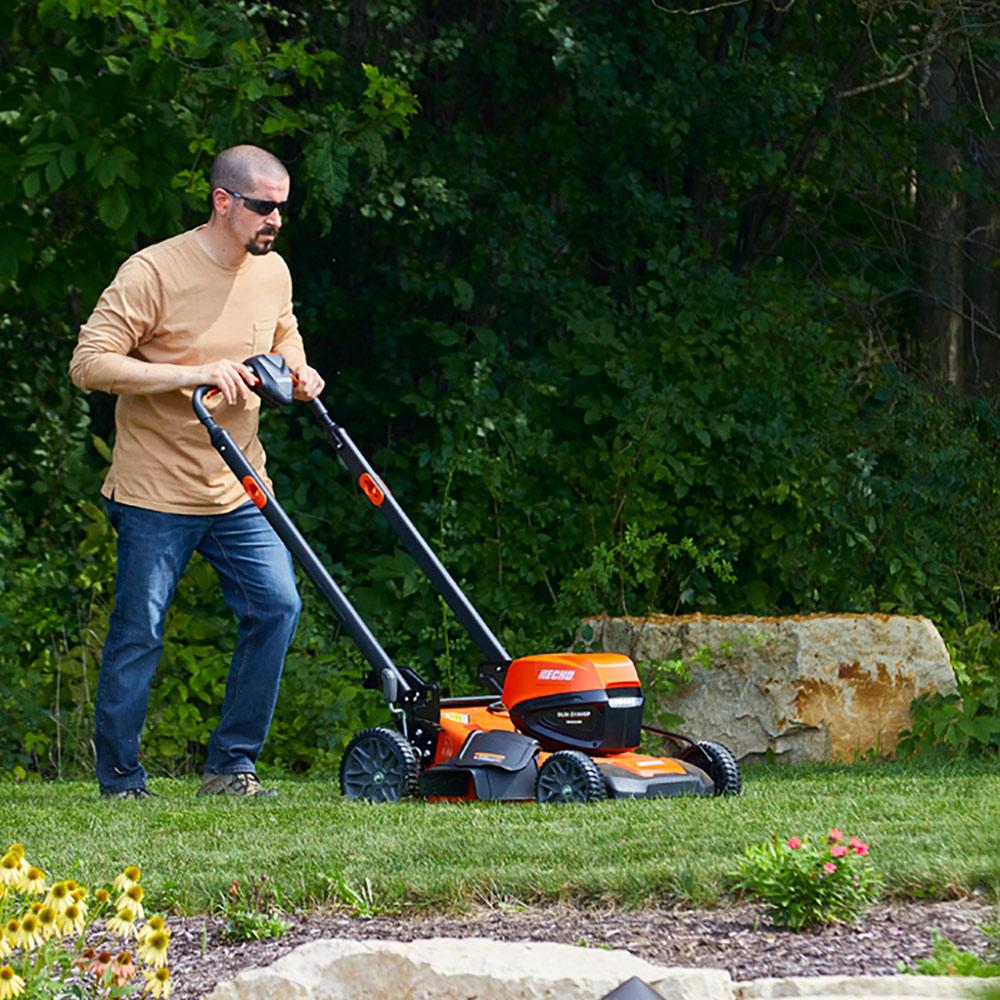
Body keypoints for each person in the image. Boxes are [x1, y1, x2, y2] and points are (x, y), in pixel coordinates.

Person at [70, 144, 324, 800]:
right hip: (156, 488)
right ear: (223, 201)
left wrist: (297, 370)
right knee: (140, 630)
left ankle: (231, 766)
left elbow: (283, 333)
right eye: (263, 207)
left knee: (278, 606)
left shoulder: (272, 272)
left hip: (240, 485)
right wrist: (194, 374)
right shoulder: (153, 271)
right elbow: (90, 363)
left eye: (282, 209)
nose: (274, 220)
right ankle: (121, 783)